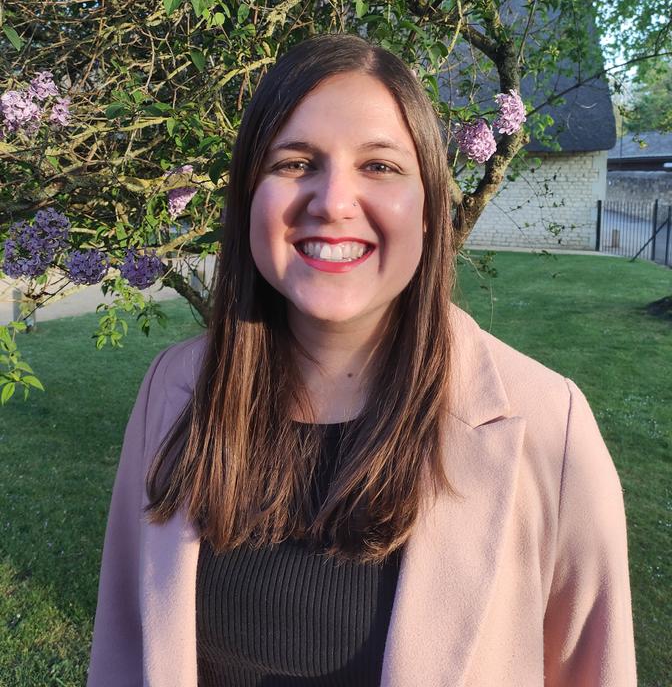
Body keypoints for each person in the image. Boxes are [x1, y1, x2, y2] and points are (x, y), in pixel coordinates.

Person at [87, 34, 636, 687]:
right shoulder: (173, 391)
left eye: (379, 166)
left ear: (429, 209)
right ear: (247, 198)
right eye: (294, 162)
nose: (334, 201)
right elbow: (123, 648)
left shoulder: (552, 428)